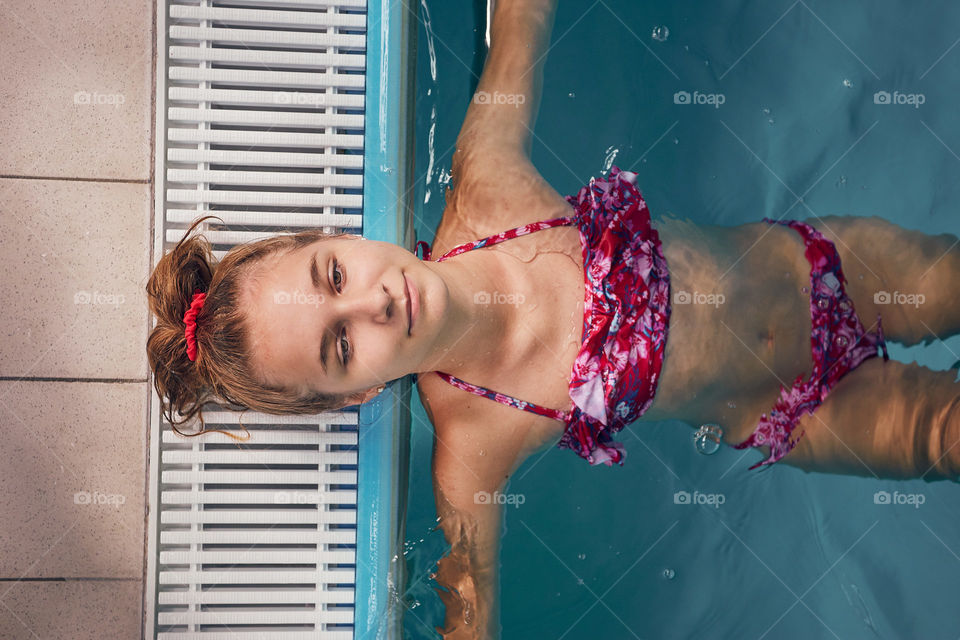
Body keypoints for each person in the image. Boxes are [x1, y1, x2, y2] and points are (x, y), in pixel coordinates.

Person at [146, 1, 960, 637]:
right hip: (801, 414)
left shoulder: (489, 186)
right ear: (354, 395)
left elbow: (522, 24)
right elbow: (472, 614)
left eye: (333, 276)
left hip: (827, 273)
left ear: (341, 236)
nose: (374, 301)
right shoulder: (473, 448)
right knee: (947, 442)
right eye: (341, 344)